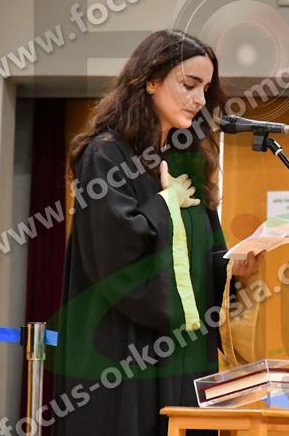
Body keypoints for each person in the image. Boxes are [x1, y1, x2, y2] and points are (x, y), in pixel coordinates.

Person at [53, 30, 264, 436]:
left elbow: (199, 259)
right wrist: (165, 203)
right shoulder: (106, 155)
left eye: (205, 89)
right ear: (151, 80)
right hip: (123, 352)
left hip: (184, 356)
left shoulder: (187, 163)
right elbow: (115, 251)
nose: (199, 99)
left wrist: (230, 268)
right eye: (189, 84)